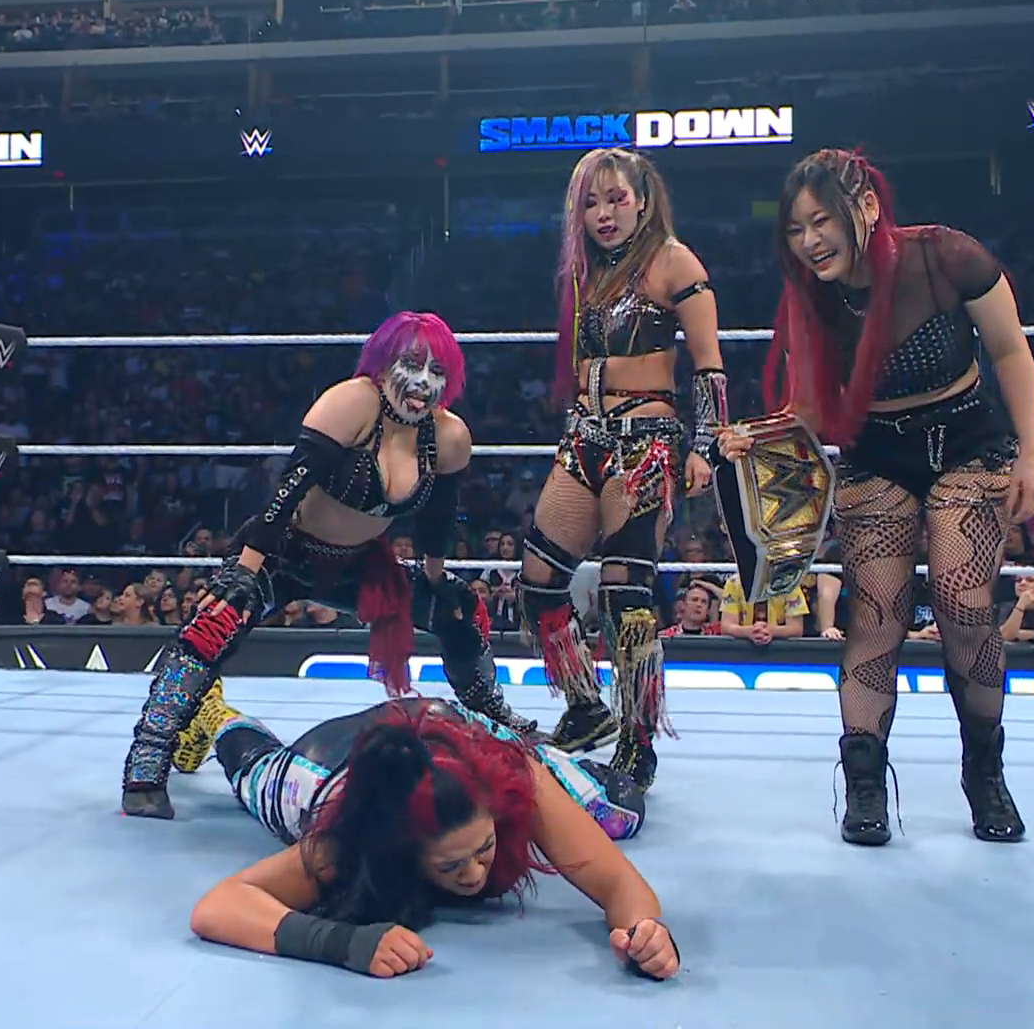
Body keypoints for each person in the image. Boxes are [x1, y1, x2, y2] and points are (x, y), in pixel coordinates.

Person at [721, 147, 1034, 847]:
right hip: (875, 452)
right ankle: (865, 782)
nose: (810, 241)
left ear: (865, 208)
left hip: (966, 441)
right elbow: (809, 410)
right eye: (796, 228)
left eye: (822, 221)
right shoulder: (809, 297)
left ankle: (985, 773)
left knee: (963, 602)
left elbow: (1010, 350)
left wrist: (1032, 454)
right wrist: (753, 436)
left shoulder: (945, 256)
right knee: (875, 616)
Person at [120, 311, 537, 820]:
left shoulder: (447, 437)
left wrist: (436, 579)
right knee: (215, 621)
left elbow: (438, 518)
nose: (423, 382)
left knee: (459, 612)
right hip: (285, 551)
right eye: (411, 364)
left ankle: (493, 721)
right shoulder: (351, 403)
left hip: (359, 564)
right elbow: (286, 491)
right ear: (383, 365)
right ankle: (148, 758)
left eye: (437, 370)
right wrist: (245, 571)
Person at [188, 694, 678, 981]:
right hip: (325, 765)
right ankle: (221, 718)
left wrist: (645, 933)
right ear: (402, 849)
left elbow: (619, 883)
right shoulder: (349, 839)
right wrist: (342, 943)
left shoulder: (516, 783)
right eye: (449, 865)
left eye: (484, 848)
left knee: (619, 811)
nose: (475, 874)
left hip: (449, 725)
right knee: (254, 771)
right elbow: (219, 906)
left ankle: (560, 765)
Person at [516, 147, 724, 790]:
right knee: (538, 580)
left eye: (616, 199)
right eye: (591, 202)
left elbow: (709, 366)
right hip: (584, 435)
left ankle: (638, 739)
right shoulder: (586, 272)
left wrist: (706, 444)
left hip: (645, 442)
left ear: (643, 200)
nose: (603, 214)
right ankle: (585, 706)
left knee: (624, 593)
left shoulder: (674, 261)